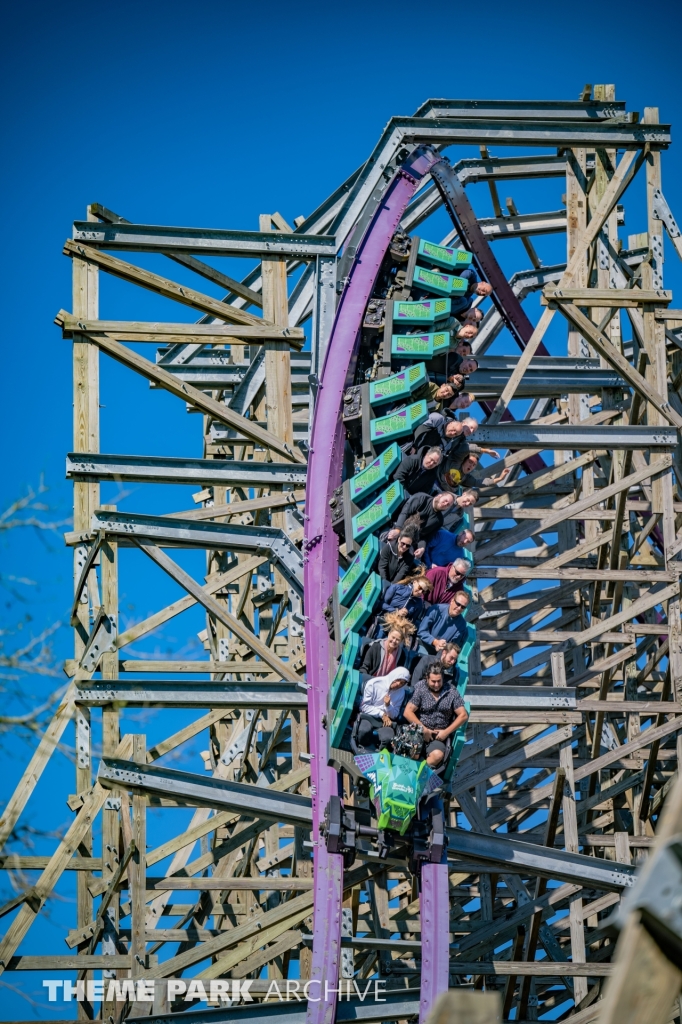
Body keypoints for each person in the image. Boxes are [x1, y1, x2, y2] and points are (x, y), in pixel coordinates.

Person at [403, 665, 469, 767]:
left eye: (439, 681)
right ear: (427, 678)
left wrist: (446, 732)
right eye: (433, 681)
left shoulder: (451, 691)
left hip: (437, 736)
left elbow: (463, 715)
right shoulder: (420, 687)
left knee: (438, 755)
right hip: (419, 730)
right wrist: (423, 729)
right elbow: (407, 712)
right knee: (413, 750)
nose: (437, 684)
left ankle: (417, 774)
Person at [356, 667, 412, 751]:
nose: (398, 684)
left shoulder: (401, 693)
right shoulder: (374, 683)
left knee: (388, 737)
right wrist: (382, 714)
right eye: (397, 680)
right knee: (364, 731)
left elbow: (395, 715)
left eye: (402, 683)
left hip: (385, 723)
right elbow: (363, 706)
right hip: (368, 717)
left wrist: (388, 705)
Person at [389, 492, 456, 556]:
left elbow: (425, 538)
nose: (445, 504)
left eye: (448, 505)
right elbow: (404, 513)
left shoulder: (439, 521)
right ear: (440, 496)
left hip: (410, 543)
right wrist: (398, 530)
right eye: (445, 500)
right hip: (398, 528)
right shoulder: (422, 498)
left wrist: (422, 547)